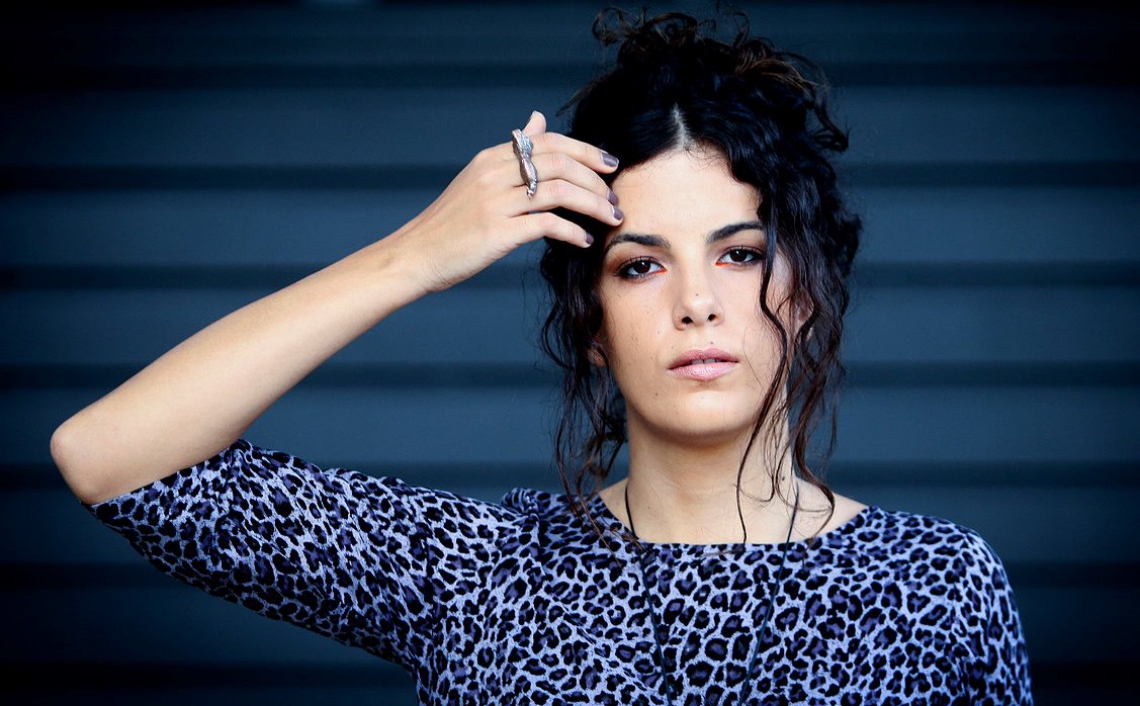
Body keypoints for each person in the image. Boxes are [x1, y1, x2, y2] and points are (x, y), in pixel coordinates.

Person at [50, 8, 1032, 705]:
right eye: (641, 265)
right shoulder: (476, 574)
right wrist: (413, 257)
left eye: (739, 254)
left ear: (805, 292)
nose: (697, 302)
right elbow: (110, 456)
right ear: (594, 325)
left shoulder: (940, 584)